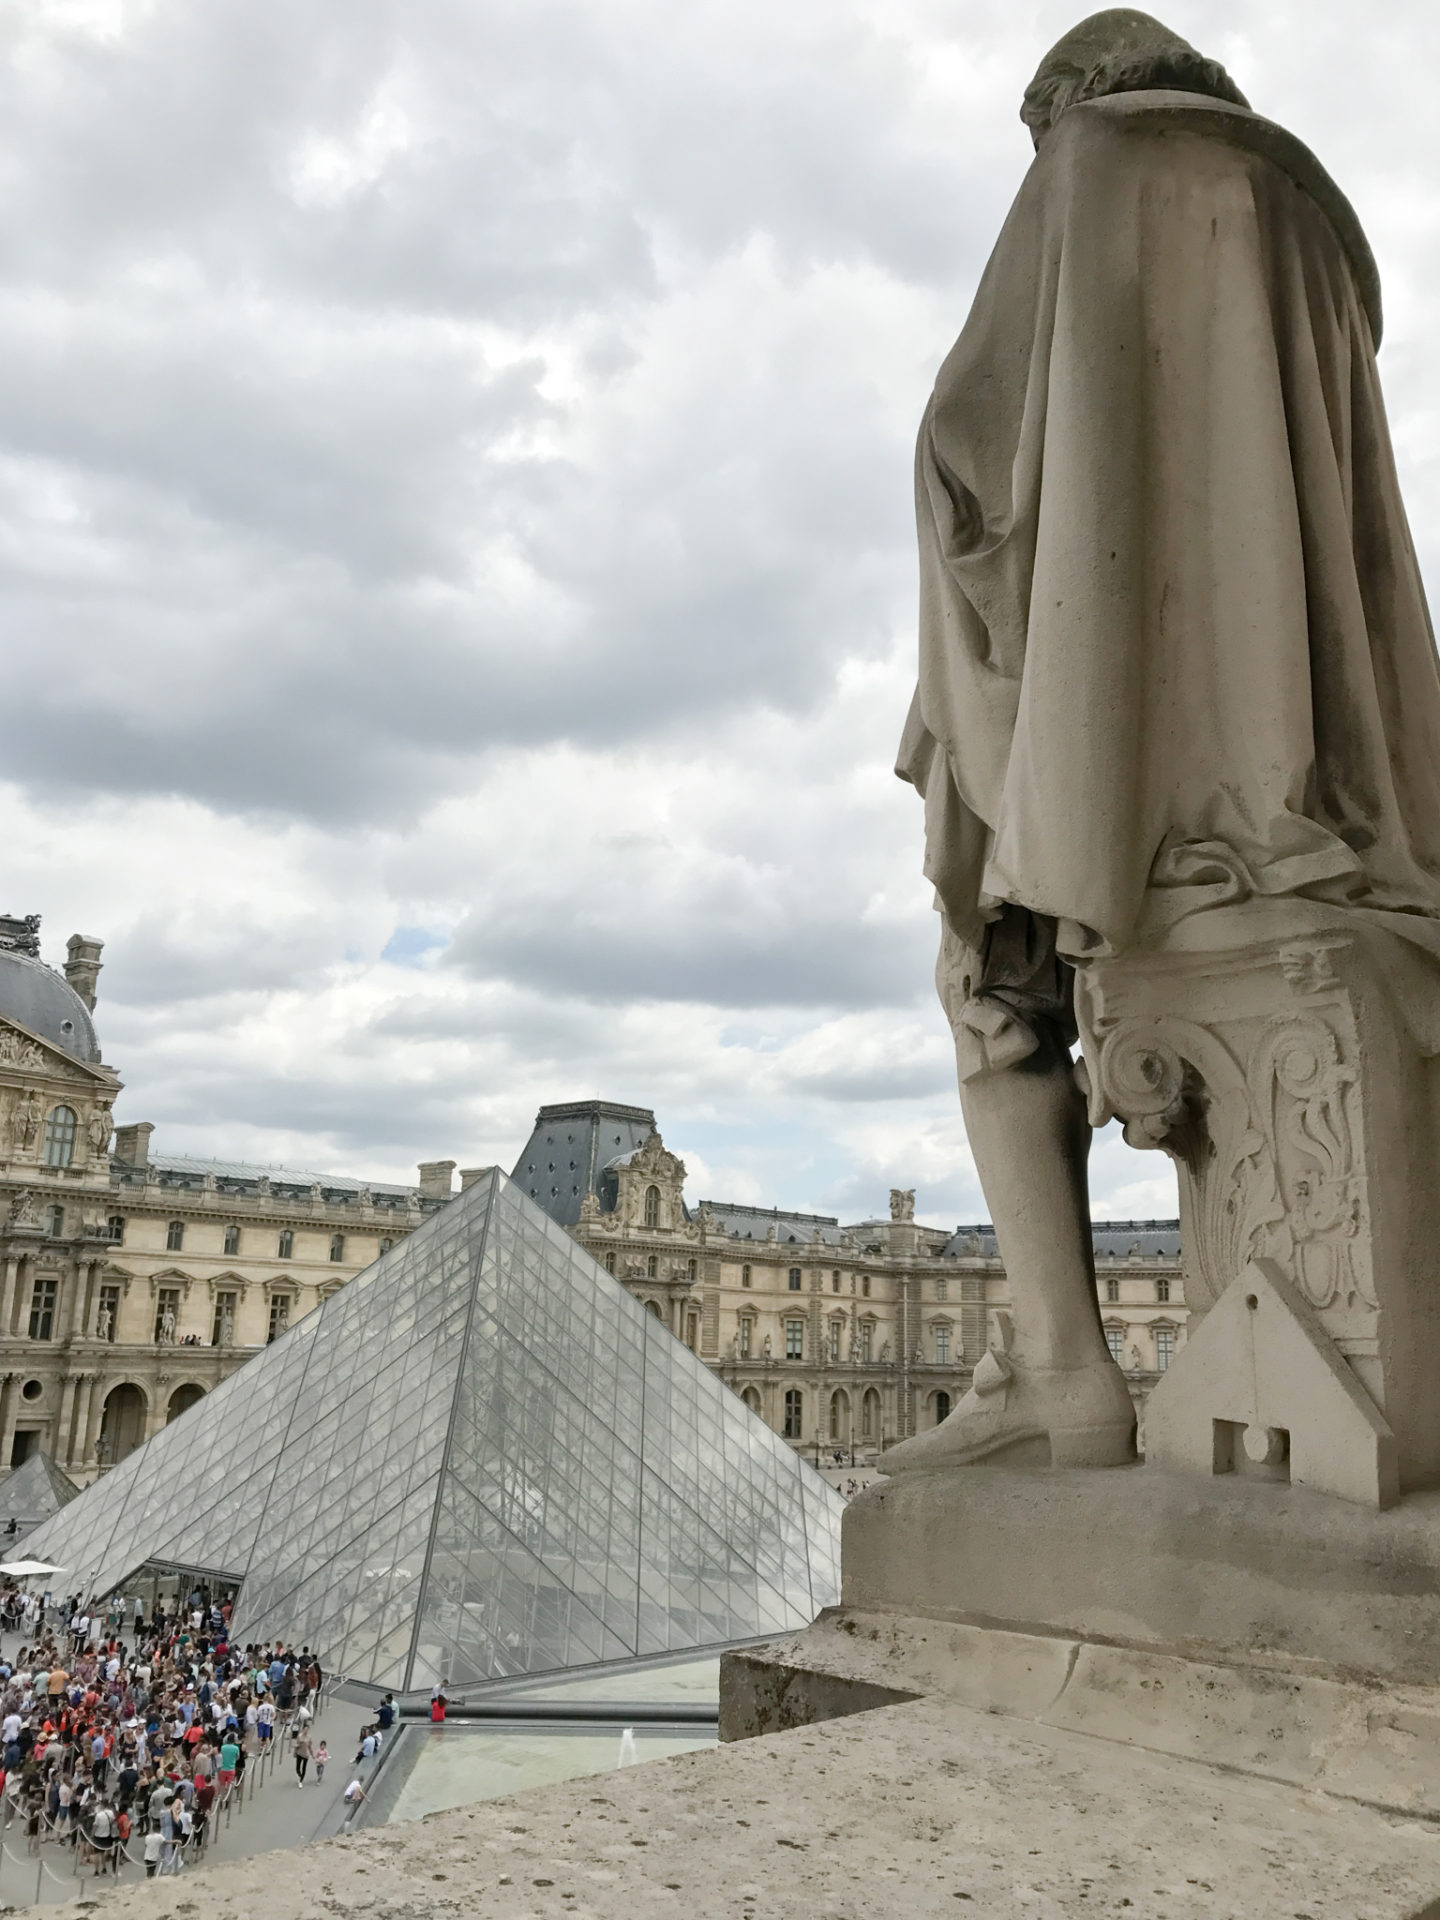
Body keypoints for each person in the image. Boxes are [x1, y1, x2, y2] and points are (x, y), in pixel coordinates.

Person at [886, 5, 1440, 1472]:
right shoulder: (1309, 222)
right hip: (1340, 783)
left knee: (985, 976)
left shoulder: (1094, 164)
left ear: (1066, 99)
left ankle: (1063, 1371)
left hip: (1140, 755)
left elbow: (976, 438)